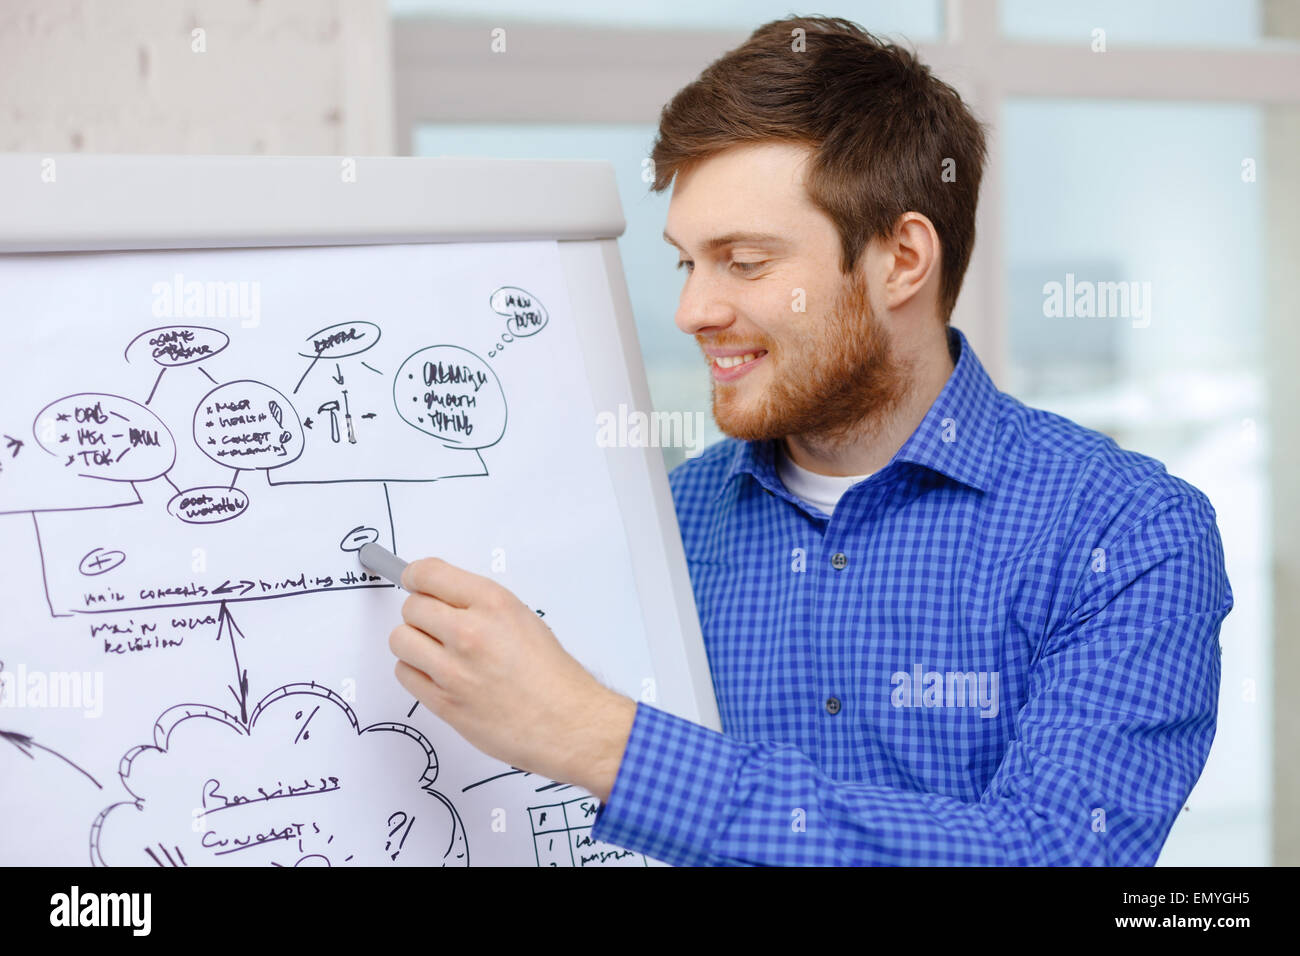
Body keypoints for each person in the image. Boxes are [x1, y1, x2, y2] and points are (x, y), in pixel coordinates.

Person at [387, 15, 1234, 866]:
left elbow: (1052, 853)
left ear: (901, 259)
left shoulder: (1127, 532)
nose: (692, 312)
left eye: (744, 261)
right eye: (687, 262)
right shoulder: (669, 523)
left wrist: (597, 739)